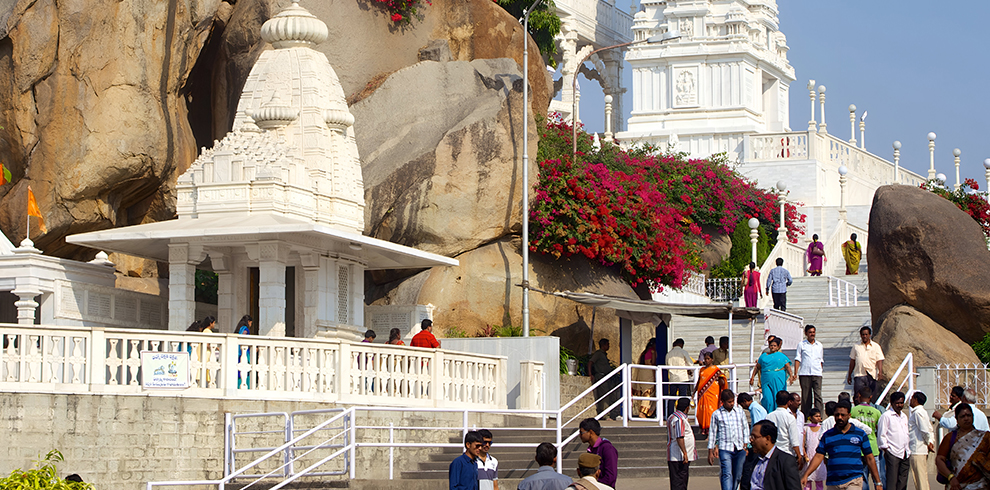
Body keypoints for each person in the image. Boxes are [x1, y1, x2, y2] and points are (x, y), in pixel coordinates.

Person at [801, 400, 883, 490]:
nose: (840, 417)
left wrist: (878, 482)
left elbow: (869, 458)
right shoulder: (827, 435)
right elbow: (818, 456)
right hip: (833, 481)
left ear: (849, 415)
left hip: (853, 480)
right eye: (837, 415)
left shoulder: (860, 434)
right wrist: (806, 475)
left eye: (843, 415)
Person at [935, 403, 990, 490]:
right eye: (962, 416)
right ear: (957, 419)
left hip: (981, 485)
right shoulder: (950, 438)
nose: (966, 418)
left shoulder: (984, 437)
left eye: (969, 415)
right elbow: (939, 459)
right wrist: (951, 477)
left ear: (973, 417)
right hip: (956, 485)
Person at [740, 420, 802, 490]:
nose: (751, 440)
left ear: (767, 439)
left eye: (754, 437)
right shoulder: (752, 458)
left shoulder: (785, 460)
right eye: (751, 437)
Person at [709, 389, 749, 490]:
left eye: (733, 401)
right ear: (723, 401)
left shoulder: (739, 412)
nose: (732, 404)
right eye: (729, 402)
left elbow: (745, 428)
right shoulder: (717, 414)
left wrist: (746, 445)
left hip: (740, 448)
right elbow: (713, 432)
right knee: (726, 473)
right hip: (725, 448)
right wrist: (711, 450)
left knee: (738, 475)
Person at [851, 388, 884, 489]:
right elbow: (879, 429)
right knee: (877, 477)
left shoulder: (853, 411)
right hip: (873, 447)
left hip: (858, 448)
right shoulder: (876, 412)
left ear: (859, 396)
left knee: (863, 477)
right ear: (870, 397)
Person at [750, 337, 792, 414]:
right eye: (771, 345)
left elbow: (788, 366)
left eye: (775, 345)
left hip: (778, 379)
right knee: (767, 399)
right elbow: (757, 367)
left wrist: (791, 376)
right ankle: (768, 415)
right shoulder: (763, 356)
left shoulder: (782, 356)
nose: (773, 347)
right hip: (766, 380)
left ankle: (778, 414)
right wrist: (752, 377)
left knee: (779, 398)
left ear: (778, 347)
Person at [878, 392, 910, 490]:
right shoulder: (886, 416)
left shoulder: (904, 416)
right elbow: (881, 434)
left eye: (901, 403)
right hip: (892, 452)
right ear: (891, 403)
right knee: (892, 481)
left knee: (903, 481)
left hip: (905, 452)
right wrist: (886, 450)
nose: (900, 405)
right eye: (897, 403)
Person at [846, 326, 884, 403]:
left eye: (866, 334)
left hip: (872, 375)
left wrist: (880, 372)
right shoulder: (856, 346)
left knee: (872, 396)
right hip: (859, 374)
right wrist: (849, 374)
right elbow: (852, 361)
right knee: (858, 396)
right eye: (863, 334)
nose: (864, 336)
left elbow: (879, 360)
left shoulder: (876, 346)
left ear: (870, 335)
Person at [793, 324, 824, 418]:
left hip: (817, 373)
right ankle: (805, 417)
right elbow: (798, 358)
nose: (812, 334)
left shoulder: (819, 345)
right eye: (810, 332)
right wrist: (795, 373)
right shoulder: (802, 345)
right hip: (805, 373)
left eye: (813, 332)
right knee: (806, 397)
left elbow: (821, 360)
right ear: (806, 333)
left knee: (818, 395)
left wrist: (820, 370)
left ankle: (819, 416)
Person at [667, 397, 697, 490]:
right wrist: (685, 453)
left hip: (677, 454)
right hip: (678, 456)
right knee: (680, 481)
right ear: (687, 408)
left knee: (679, 481)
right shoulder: (679, 419)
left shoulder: (672, 417)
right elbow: (680, 437)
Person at [579, 418, 618, 488]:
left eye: (581, 432)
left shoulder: (607, 448)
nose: (580, 435)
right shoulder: (591, 449)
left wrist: (594, 485)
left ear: (591, 433)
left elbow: (611, 476)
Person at [697, 351, 728, 439]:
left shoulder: (715, 370)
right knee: (703, 413)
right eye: (705, 359)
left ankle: (711, 435)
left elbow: (722, 381)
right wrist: (694, 392)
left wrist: (720, 379)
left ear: (712, 359)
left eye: (708, 359)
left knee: (711, 413)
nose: (706, 361)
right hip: (703, 395)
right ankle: (706, 433)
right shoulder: (702, 370)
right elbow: (699, 382)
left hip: (713, 394)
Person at [765, 390, 803, 461]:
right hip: (787, 453)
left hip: (772, 453)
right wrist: (799, 456)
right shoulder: (790, 417)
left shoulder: (768, 416)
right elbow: (794, 441)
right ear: (789, 402)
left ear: (776, 401)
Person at [907, 391, 934, 490]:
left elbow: (925, 430)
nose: (910, 400)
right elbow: (929, 429)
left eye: (912, 398)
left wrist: (929, 443)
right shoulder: (921, 412)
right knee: (919, 478)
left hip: (918, 449)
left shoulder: (918, 413)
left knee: (920, 479)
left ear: (916, 400)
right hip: (918, 449)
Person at [589, 339, 620, 420]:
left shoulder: (603, 355)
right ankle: (605, 415)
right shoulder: (598, 354)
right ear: (603, 345)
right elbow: (590, 362)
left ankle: (606, 413)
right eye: (607, 344)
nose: (609, 346)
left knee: (608, 395)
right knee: (604, 396)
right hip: (601, 377)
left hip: (606, 377)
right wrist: (590, 374)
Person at [665, 338, 695, 418]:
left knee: (672, 397)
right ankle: (682, 414)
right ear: (681, 345)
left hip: (672, 378)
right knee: (683, 397)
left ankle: (670, 415)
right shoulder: (683, 352)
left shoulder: (669, 354)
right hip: (683, 378)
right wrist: (690, 372)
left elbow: (667, 365)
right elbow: (691, 364)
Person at [632, 338, 657, 418]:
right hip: (649, 372)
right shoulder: (653, 351)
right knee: (649, 392)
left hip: (641, 372)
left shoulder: (644, 352)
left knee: (644, 392)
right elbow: (653, 363)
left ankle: (648, 412)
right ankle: (642, 412)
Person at [802, 408, 827, 490]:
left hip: (819, 458)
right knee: (808, 481)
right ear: (811, 418)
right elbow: (803, 443)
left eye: (819, 416)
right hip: (809, 457)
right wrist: (805, 455)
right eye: (816, 416)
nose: (818, 418)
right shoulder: (806, 429)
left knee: (819, 481)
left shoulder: (822, 429)